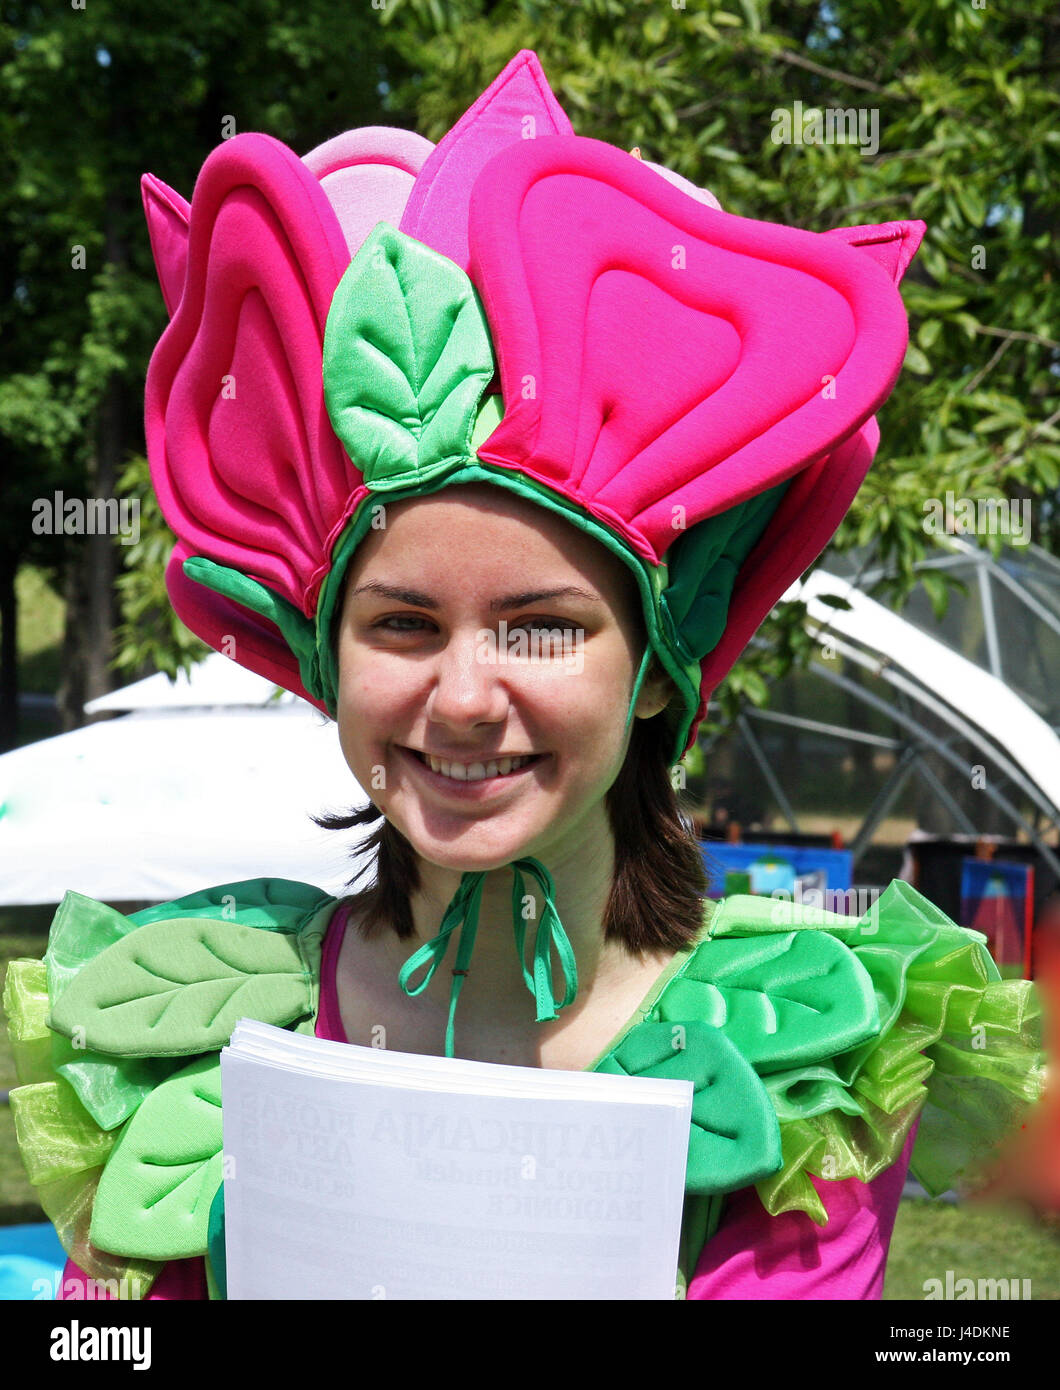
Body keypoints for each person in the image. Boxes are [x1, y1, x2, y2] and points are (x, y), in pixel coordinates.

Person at [3, 50, 1042, 1301]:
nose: (460, 698)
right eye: (400, 625)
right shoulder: (181, 1028)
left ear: (657, 671)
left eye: (542, 626)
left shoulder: (802, 1054)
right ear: (325, 658)